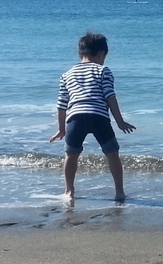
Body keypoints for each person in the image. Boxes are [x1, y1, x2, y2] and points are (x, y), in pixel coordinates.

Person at [49, 31, 136, 201]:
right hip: (99, 117)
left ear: (80, 53)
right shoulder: (103, 71)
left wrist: (61, 129)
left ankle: (69, 191)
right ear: (101, 53)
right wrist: (120, 122)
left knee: (71, 155)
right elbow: (110, 96)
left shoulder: (66, 75)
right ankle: (119, 192)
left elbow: (61, 104)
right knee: (112, 154)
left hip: (76, 118)